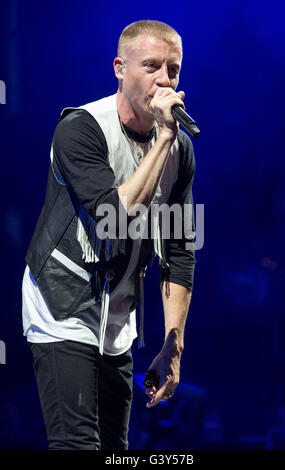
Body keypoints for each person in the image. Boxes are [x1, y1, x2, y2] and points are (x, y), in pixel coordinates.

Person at [22, 19, 196, 450]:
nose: (164, 79)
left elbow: (179, 248)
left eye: (173, 69)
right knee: (78, 444)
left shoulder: (182, 151)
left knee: (115, 450)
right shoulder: (80, 129)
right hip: (61, 305)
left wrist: (171, 350)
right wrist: (165, 137)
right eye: (152, 65)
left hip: (118, 317)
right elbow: (112, 218)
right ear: (120, 67)